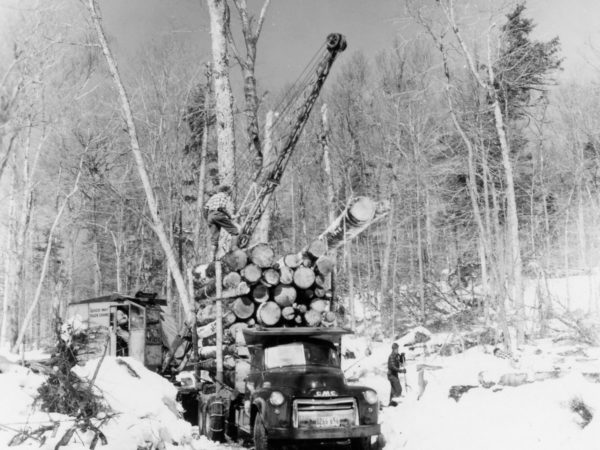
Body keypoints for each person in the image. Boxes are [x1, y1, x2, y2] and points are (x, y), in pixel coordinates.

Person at [204, 185, 240, 260]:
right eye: (229, 192)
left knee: (214, 239)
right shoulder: (223, 196)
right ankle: (233, 253)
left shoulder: (213, 197)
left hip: (210, 216)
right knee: (235, 231)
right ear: (226, 191)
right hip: (218, 214)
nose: (229, 194)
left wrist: (207, 219)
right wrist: (230, 216)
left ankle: (212, 259)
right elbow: (221, 208)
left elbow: (205, 208)